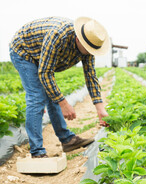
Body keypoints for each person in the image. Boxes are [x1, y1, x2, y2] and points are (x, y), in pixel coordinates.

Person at [9, 16, 110, 158]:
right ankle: (37, 152)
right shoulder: (58, 36)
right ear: (78, 39)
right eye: (88, 49)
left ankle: (67, 140)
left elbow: (91, 77)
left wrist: (100, 109)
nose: (89, 53)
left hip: (42, 56)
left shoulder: (88, 48)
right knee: (37, 97)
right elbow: (45, 73)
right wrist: (64, 103)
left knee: (53, 95)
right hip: (24, 51)